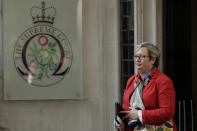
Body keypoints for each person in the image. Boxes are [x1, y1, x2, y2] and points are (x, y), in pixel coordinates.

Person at [115, 43, 176, 131]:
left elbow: (168, 112)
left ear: (153, 60)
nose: (137, 60)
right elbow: (126, 108)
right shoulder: (131, 80)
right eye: (136, 56)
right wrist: (120, 121)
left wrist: (140, 115)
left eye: (142, 56)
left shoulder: (164, 81)